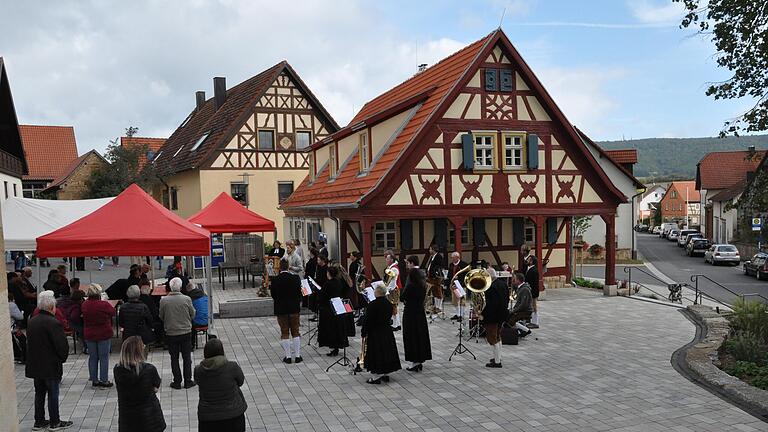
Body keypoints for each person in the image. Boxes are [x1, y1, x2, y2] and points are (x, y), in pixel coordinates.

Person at [25, 290, 73, 430]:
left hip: (36, 365)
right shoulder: (53, 323)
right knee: (53, 394)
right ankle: (55, 421)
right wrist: (62, 358)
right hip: (50, 365)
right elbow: (61, 345)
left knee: (39, 394)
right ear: (52, 307)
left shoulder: (32, 321)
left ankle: (39, 421)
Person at [114, 335, 166, 432]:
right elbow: (155, 388)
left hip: (128, 419)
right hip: (150, 419)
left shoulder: (118, 370)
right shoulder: (149, 369)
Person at [195, 338, 247, 432]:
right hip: (233, 414)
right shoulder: (232, 367)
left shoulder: (198, 370)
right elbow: (241, 381)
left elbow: (198, 381)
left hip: (208, 417)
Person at [160, 277, 196, 389]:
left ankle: (177, 381)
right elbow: (193, 314)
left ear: (170, 287)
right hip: (185, 331)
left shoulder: (163, 300)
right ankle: (188, 380)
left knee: (174, 358)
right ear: (180, 287)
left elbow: (161, 316)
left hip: (171, 332)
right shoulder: (187, 299)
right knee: (187, 357)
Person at [362, 283, 401, 384]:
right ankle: (385, 372)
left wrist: (364, 331)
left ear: (378, 292)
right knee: (386, 352)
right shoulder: (388, 303)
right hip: (386, 331)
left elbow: (368, 320)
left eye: (375, 290)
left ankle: (376, 376)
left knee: (377, 353)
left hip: (376, 333)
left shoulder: (373, 305)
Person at [82, 284, 116, 388]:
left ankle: (94, 379)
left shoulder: (85, 304)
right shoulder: (103, 305)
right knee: (104, 357)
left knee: (93, 357)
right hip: (103, 333)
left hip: (89, 333)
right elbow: (113, 312)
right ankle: (104, 379)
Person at [270, 259, 302, 364]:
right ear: (288, 267)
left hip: (281, 309)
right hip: (294, 309)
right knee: (295, 332)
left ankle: (288, 357)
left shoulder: (275, 280)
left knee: (284, 332)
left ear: (279, 267)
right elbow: (299, 293)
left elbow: (273, 295)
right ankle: (297, 356)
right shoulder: (296, 278)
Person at [401, 266, 431, 372]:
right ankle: (419, 360)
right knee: (419, 336)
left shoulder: (410, 286)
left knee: (411, 336)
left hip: (410, 313)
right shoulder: (422, 286)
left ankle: (414, 362)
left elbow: (402, 297)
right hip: (420, 313)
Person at [317, 263, 349, 356]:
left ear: (329, 273)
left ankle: (334, 348)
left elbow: (323, 296)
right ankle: (338, 345)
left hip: (329, 309)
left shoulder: (328, 284)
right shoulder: (339, 281)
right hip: (338, 307)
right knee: (338, 327)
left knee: (331, 329)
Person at [483, 268, 510, 368]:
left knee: (492, 338)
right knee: (498, 336)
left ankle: (497, 362)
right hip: (502, 314)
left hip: (492, 316)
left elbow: (491, 304)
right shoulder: (503, 284)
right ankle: (498, 357)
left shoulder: (491, 287)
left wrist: (482, 313)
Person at [507, 272, 533, 338]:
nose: (513, 280)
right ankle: (521, 331)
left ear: (518, 280)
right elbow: (519, 303)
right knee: (508, 317)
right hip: (522, 309)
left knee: (511, 319)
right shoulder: (521, 288)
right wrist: (512, 309)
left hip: (526, 310)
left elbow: (523, 305)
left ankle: (525, 331)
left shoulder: (524, 289)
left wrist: (513, 311)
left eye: (514, 279)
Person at [382, 250, 402, 330]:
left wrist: (387, 290)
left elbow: (392, 282)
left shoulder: (394, 269)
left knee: (393, 306)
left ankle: (395, 325)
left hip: (393, 289)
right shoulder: (392, 267)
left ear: (391, 260)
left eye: (387, 258)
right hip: (393, 289)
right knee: (394, 306)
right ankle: (397, 323)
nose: (386, 260)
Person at [446, 251, 468, 320]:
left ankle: (462, 315)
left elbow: (466, 275)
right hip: (454, 284)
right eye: (451, 257)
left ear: (457, 257)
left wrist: (459, 277)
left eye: (453, 257)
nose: (452, 259)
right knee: (455, 301)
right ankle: (457, 314)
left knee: (462, 300)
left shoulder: (464, 264)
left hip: (461, 284)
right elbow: (449, 275)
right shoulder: (451, 265)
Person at [425, 245, 444, 315]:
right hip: (431, 277)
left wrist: (434, 272)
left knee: (438, 291)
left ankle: (439, 307)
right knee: (434, 292)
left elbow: (439, 266)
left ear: (433, 250)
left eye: (430, 249)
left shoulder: (438, 256)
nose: (429, 251)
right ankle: (436, 306)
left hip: (436, 277)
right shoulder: (432, 257)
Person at [525, 255, 540, 328]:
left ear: (531, 261)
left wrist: (531, 292)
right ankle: (530, 320)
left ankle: (535, 322)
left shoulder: (534, 270)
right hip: (530, 290)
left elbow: (534, 283)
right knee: (530, 306)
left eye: (528, 260)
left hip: (533, 291)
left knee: (534, 306)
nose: (527, 261)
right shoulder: (529, 268)